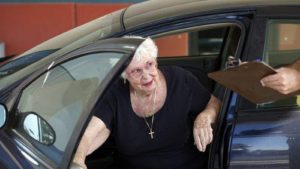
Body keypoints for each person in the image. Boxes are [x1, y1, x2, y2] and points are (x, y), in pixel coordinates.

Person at [72, 37, 221, 169]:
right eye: (136, 71)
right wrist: (77, 162)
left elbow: (214, 103)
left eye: (149, 64)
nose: (146, 76)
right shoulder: (115, 94)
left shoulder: (180, 80)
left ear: (155, 61)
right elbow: (87, 136)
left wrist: (204, 118)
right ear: (124, 75)